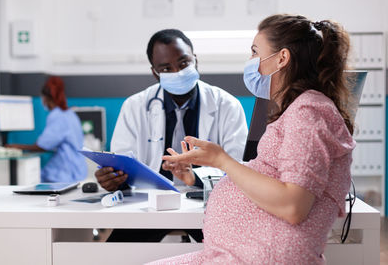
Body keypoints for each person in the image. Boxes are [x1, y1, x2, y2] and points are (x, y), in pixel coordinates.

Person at [151, 14, 356, 264]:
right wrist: (207, 169)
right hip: (242, 253)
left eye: (254, 52)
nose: (250, 61)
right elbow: (271, 178)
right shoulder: (297, 111)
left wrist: (222, 160)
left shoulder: (309, 112)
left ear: (281, 58)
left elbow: (294, 205)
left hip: (264, 256)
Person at [94, 29, 248, 242]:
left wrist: (194, 177)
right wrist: (113, 179)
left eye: (184, 63)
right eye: (166, 68)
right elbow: (123, 162)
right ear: (155, 72)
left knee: (228, 249)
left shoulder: (227, 105)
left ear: (196, 60)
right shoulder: (134, 106)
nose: (177, 71)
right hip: (149, 206)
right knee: (118, 252)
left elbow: (238, 168)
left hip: (207, 205)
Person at [7, 76, 87, 183]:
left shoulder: (58, 116)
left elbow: (42, 146)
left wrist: (17, 147)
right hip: (78, 170)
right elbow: (46, 141)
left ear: (46, 98)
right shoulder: (70, 114)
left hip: (66, 174)